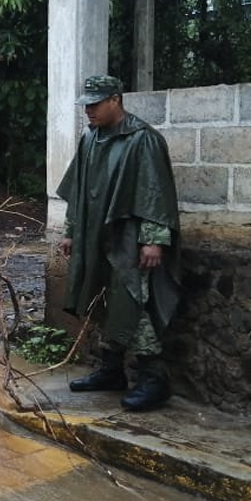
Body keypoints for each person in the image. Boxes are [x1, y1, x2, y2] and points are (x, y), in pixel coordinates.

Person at [57, 75, 181, 412]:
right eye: (86, 104)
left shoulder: (143, 139)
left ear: (116, 100)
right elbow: (78, 191)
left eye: (95, 104)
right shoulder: (90, 139)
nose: (89, 111)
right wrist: (70, 230)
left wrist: (154, 240)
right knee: (101, 300)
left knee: (133, 302)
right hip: (94, 236)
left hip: (129, 241)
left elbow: (156, 191)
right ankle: (111, 370)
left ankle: (154, 378)